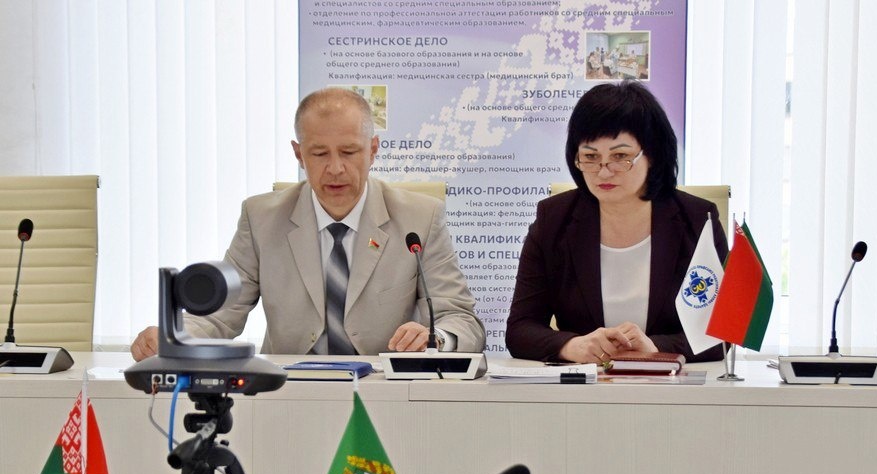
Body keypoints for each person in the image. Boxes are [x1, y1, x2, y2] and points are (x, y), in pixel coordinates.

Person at [131, 87, 485, 360]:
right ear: (299, 154)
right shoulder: (261, 218)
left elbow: (462, 320)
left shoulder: (420, 218)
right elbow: (221, 315)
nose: (335, 168)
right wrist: (172, 335)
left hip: (385, 394)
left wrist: (436, 338)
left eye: (349, 152)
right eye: (319, 154)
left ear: (373, 150)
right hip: (290, 394)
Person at [505, 81, 728, 364]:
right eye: (590, 157)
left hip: (670, 386)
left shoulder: (696, 220)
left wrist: (656, 348)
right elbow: (520, 329)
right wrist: (572, 346)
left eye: (620, 156)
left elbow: (721, 334)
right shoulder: (554, 219)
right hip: (586, 383)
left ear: (652, 155)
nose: (603, 172)